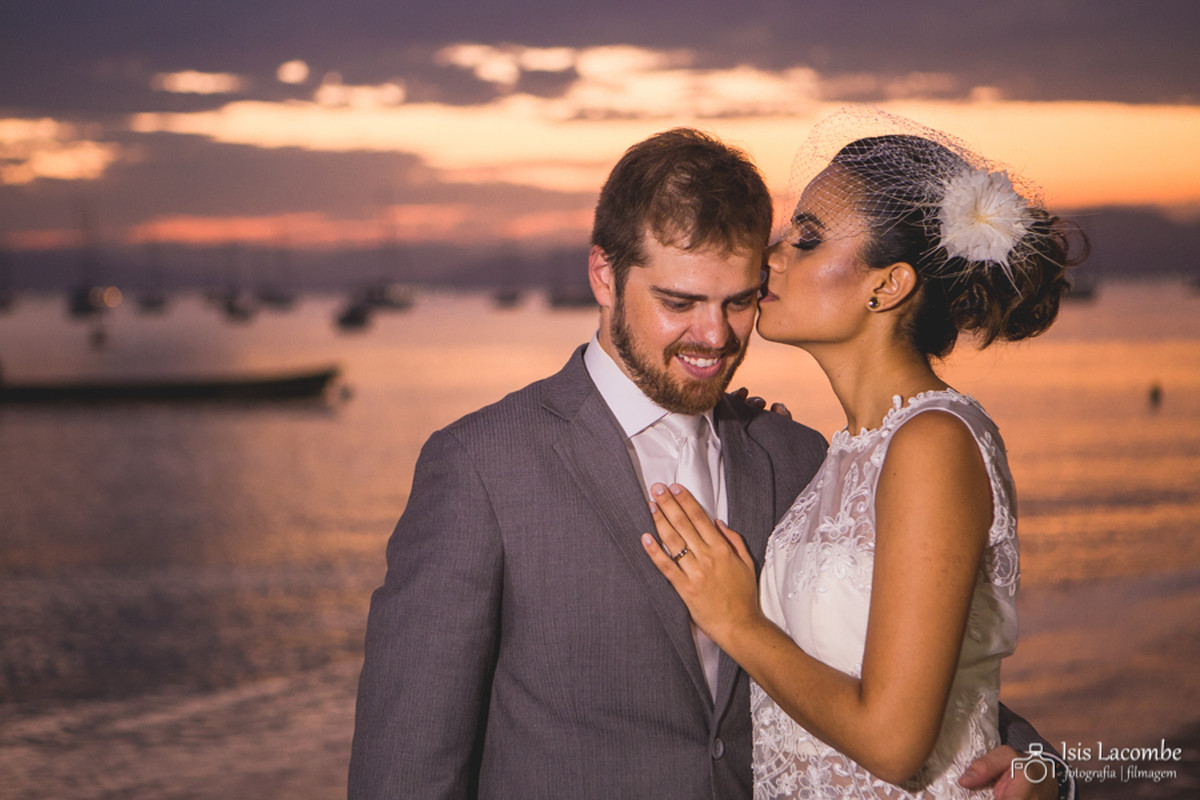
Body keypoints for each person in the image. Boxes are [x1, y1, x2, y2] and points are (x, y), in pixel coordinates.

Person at [349, 126, 1067, 799]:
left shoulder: (796, 457)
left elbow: (899, 670)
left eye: (738, 300)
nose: (713, 335)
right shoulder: (482, 466)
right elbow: (408, 761)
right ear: (604, 275)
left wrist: (1040, 761)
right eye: (679, 301)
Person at [641, 109, 1084, 798]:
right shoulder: (841, 452)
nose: (772, 257)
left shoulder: (934, 442)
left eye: (807, 241)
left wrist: (737, 621)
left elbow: (894, 743)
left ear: (888, 284)